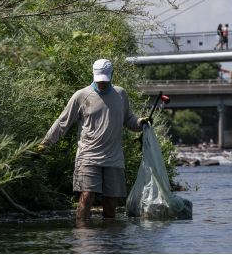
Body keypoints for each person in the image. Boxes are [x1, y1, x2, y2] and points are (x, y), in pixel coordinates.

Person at [37, 59, 150, 221]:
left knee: (111, 202)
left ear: (112, 75)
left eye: (105, 80)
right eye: (99, 80)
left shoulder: (120, 94)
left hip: (114, 158)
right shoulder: (81, 96)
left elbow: (129, 120)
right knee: (87, 195)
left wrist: (141, 123)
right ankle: (84, 238)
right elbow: (62, 123)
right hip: (88, 156)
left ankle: (110, 240)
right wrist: (45, 143)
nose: (102, 83)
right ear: (93, 75)